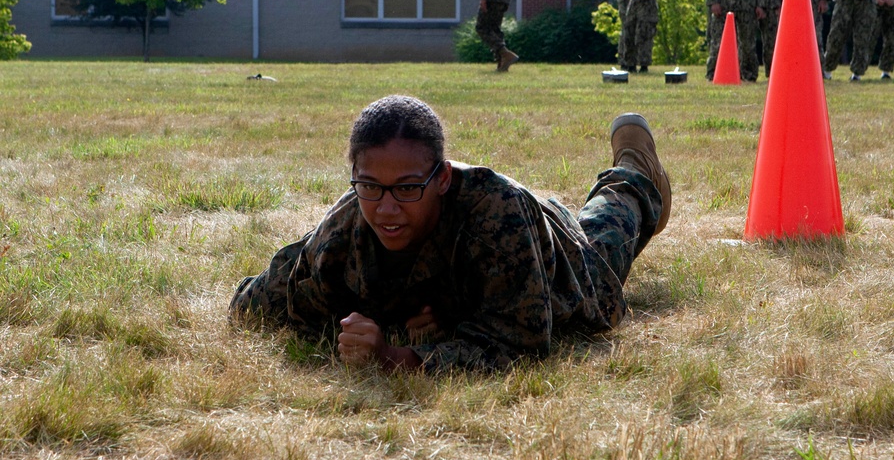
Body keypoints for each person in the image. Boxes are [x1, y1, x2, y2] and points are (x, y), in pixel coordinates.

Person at [230, 95, 672, 374]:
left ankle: (633, 170)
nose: (386, 208)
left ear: (440, 178)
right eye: (369, 186)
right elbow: (254, 306)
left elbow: (524, 341)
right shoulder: (342, 229)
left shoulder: (497, 215)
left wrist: (397, 357)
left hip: (552, 251)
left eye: (407, 188)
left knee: (607, 234)